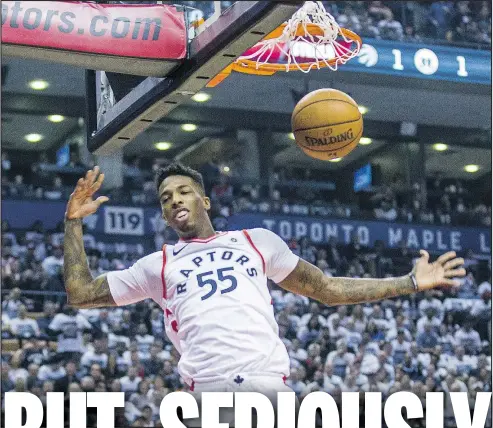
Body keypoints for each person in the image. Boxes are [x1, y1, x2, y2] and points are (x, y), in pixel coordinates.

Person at [63, 164, 466, 426]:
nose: (174, 201)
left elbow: (326, 289)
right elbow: (80, 293)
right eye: (165, 199)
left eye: (182, 192)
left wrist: (409, 282)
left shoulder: (255, 241)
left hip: (268, 390)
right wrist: (73, 224)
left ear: (203, 200)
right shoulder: (157, 265)